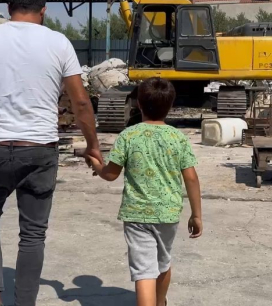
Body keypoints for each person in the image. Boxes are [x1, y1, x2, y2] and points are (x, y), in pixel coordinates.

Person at [0, 0, 102, 306]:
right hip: (40, 148)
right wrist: (93, 145)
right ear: (43, 11)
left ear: (8, 9)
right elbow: (81, 102)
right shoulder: (58, 43)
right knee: (33, 232)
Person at [87, 77, 203, 306]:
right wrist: (196, 214)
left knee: (144, 272)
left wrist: (96, 165)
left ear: (138, 104)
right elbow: (191, 177)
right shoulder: (178, 138)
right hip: (168, 214)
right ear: (171, 106)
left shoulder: (128, 136)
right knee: (163, 263)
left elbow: (110, 174)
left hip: (137, 215)